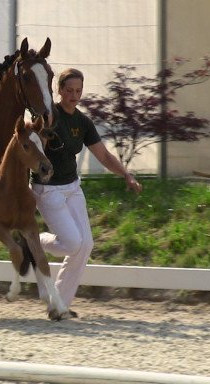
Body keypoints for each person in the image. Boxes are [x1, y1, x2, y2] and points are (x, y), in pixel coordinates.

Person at [30, 67, 142, 316]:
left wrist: (126, 174)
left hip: (72, 187)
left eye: (78, 90)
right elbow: (32, 148)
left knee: (86, 244)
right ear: (59, 91)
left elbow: (102, 155)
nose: (74, 95)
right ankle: (34, 241)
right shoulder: (49, 116)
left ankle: (59, 305)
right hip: (47, 189)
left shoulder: (83, 122)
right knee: (72, 244)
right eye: (69, 90)